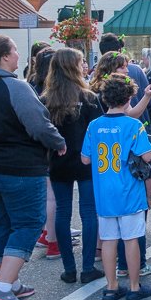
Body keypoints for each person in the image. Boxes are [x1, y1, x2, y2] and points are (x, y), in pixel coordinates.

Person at [0, 35, 66, 300]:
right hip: (18, 165)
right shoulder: (14, 86)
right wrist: (58, 142)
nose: (19, 55)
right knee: (29, 223)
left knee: (2, 221)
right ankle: (3, 286)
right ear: (6, 57)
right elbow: (38, 124)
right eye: (15, 51)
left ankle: (10, 280)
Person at [82, 74, 151, 300]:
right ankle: (134, 286)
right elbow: (147, 155)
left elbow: (85, 159)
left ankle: (111, 286)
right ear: (129, 98)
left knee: (109, 239)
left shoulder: (94, 125)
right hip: (129, 190)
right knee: (131, 238)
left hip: (104, 192)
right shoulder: (133, 125)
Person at [42, 48, 105, 284]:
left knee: (62, 212)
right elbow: (97, 131)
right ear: (73, 67)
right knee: (88, 211)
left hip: (58, 159)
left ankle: (69, 268)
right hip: (85, 159)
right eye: (81, 63)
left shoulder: (46, 99)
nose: (84, 67)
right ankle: (87, 266)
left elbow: (41, 131)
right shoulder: (88, 98)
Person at [98, 33, 149, 107]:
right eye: (122, 67)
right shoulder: (136, 70)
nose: (126, 71)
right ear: (119, 50)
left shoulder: (97, 74)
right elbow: (149, 103)